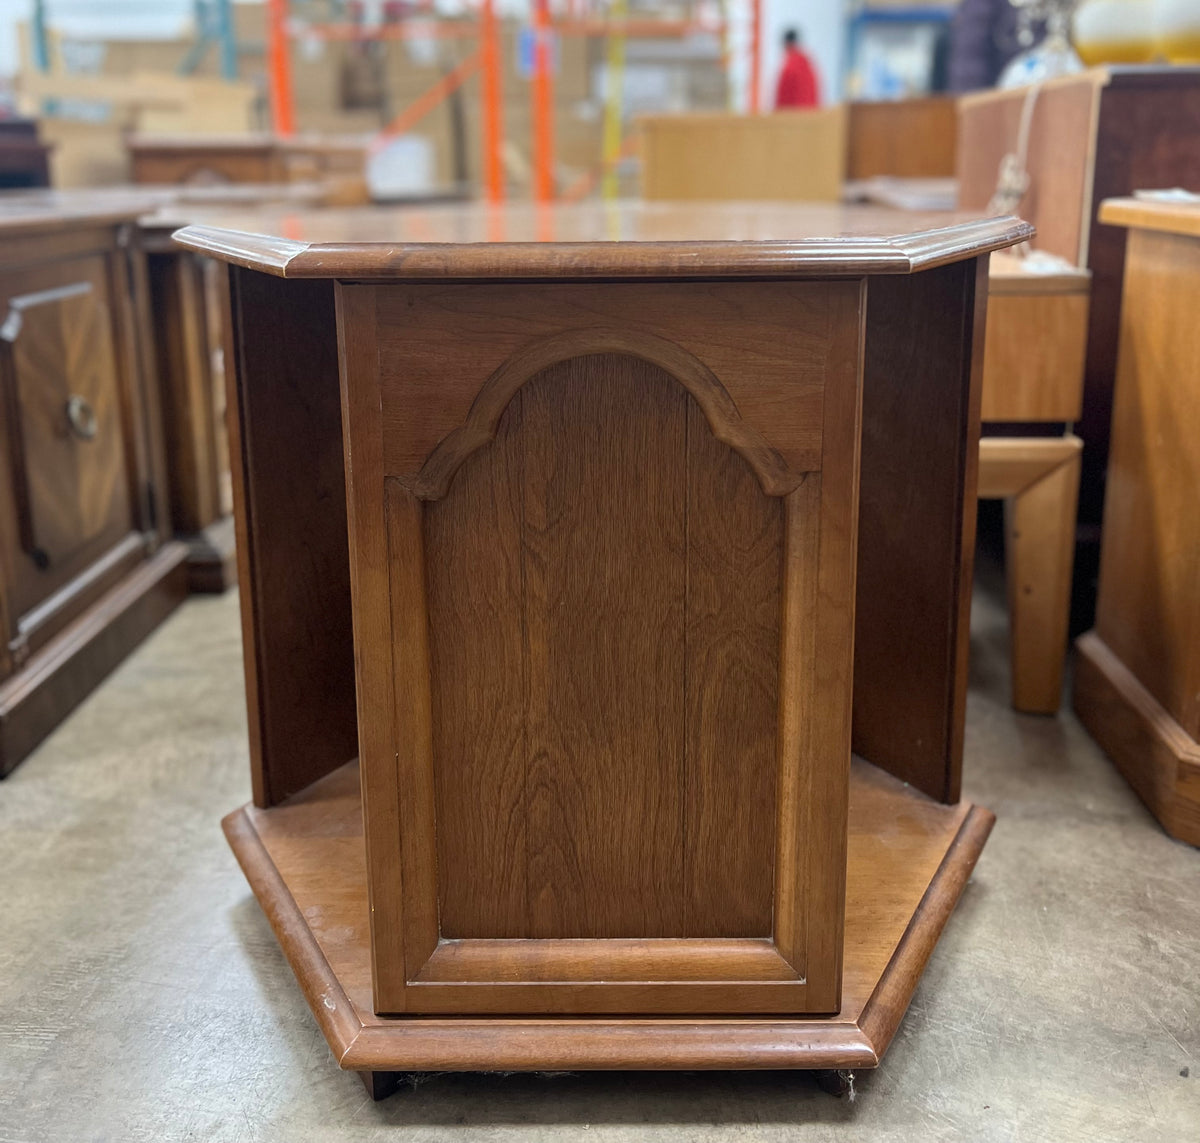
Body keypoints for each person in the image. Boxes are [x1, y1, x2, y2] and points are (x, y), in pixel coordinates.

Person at [774, 28, 820, 110]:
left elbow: (783, 96)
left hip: (793, 116)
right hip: (810, 114)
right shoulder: (808, 63)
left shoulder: (790, 65)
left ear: (786, 44)